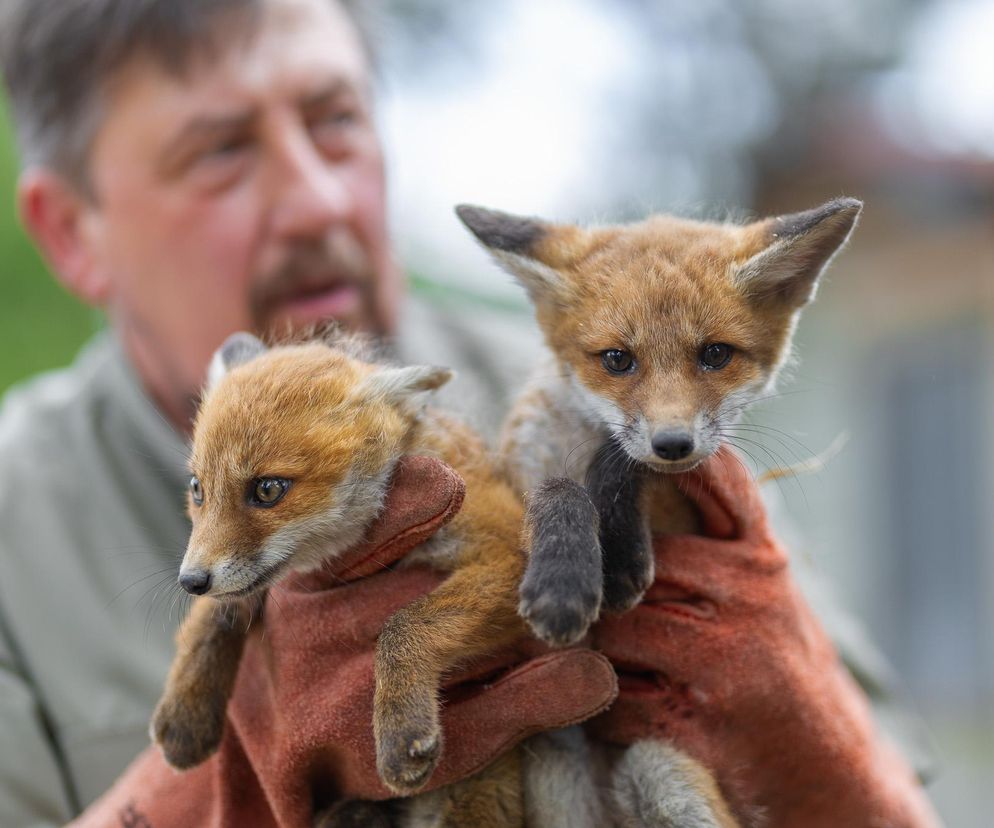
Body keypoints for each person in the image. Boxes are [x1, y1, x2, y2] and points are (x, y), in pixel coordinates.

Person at [0, 0, 939, 825]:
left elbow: (905, 800)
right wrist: (210, 795)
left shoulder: (586, 384)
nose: (319, 198)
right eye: (221, 151)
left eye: (336, 122)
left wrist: (818, 756)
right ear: (72, 233)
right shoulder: (20, 521)